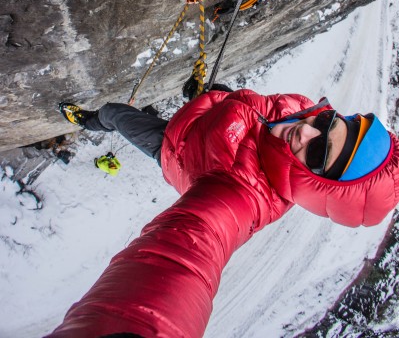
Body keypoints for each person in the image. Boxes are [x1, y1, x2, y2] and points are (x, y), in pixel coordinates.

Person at [47, 88, 398, 338]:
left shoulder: (239, 194)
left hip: (171, 146)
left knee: (113, 113)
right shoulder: (305, 112)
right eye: (329, 123)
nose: (308, 129)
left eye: (320, 150)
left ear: (317, 185)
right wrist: (221, 98)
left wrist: (129, 327)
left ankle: (92, 121)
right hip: (202, 121)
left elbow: (186, 254)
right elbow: (262, 115)